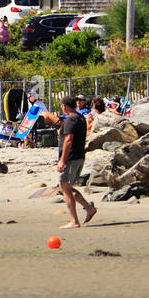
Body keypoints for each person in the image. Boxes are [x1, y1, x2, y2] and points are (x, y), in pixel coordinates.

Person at [45, 97, 97, 229]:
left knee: (64, 186)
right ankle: (89, 208)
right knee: (66, 187)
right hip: (79, 155)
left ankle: (74, 221)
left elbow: (68, 139)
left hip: (71, 157)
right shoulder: (79, 117)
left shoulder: (71, 119)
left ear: (64, 107)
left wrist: (62, 160)